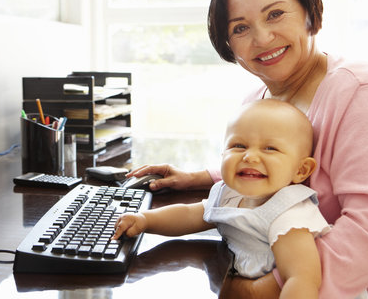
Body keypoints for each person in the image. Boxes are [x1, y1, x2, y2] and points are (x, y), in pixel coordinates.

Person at [126, 0, 368, 298]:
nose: (262, 38)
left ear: (308, 14)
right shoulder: (258, 99)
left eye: (275, 14)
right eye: (240, 27)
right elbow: (267, 164)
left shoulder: (360, 91)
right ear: (228, 45)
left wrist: (264, 290)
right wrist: (202, 177)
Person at [115, 99, 333, 298]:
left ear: (301, 169)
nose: (250, 156)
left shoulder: (289, 215)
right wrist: (144, 220)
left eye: (270, 148)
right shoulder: (228, 193)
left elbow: (302, 280)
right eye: (238, 146)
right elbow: (192, 214)